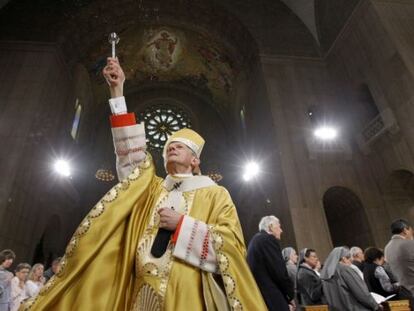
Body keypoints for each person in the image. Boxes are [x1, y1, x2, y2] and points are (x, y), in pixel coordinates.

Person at [21, 57, 267, 310]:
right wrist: (117, 92)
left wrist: (182, 225)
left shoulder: (215, 194)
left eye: (180, 146)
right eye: (170, 146)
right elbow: (130, 156)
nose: (172, 147)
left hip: (187, 292)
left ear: (195, 160)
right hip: (140, 291)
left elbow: (231, 248)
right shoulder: (152, 190)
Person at [247, 216, 295, 311]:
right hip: (272, 296)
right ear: (271, 227)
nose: (281, 231)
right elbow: (279, 272)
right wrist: (290, 295)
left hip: (261, 296)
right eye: (279, 227)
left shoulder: (256, 240)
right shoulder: (268, 240)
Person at [321, 246, 382, 311]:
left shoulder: (325, 274)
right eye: (349, 258)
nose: (352, 260)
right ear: (344, 259)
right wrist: (375, 306)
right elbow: (361, 293)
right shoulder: (345, 270)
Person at [384, 219, 414, 296]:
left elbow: (388, 270)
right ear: (405, 230)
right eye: (411, 231)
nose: (412, 234)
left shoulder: (387, 248)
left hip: (404, 293)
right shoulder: (409, 244)